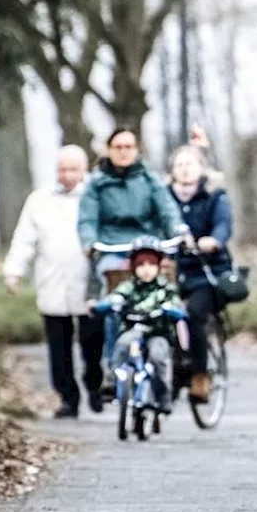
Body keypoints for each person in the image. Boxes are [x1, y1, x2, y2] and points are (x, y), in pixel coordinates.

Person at [77, 127, 187, 394]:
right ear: (109, 150)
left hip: (147, 247)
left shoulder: (149, 180)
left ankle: (176, 358)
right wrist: (89, 241)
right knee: (114, 303)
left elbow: (167, 210)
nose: (124, 152)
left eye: (129, 147)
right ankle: (112, 366)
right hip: (112, 248)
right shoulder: (97, 183)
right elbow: (88, 219)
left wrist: (178, 231)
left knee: (167, 293)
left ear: (137, 149)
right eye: (118, 147)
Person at [3, 145, 105, 419]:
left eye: (73, 169)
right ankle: (67, 398)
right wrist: (14, 270)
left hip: (89, 283)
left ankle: (94, 384)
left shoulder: (96, 196)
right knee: (58, 347)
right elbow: (24, 237)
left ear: (84, 170)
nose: (67, 175)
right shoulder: (39, 200)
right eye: (62, 169)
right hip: (52, 281)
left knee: (93, 341)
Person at [167, 125, 233, 404]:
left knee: (194, 314)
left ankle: (200, 375)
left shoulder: (214, 196)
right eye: (179, 164)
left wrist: (212, 240)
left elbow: (223, 225)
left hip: (205, 272)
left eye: (190, 164)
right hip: (171, 270)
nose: (184, 169)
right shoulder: (164, 198)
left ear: (201, 168)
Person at [94, 238, 186, 413]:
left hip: (157, 333)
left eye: (151, 264)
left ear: (158, 266)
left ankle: (162, 396)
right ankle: (114, 380)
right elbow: (116, 297)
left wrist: (172, 309)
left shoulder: (165, 288)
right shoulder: (129, 286)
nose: (146, 269)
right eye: (141, 264)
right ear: (133, 267)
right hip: (134, 330)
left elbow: (177, 306)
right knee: (122, 345)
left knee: (158, 357)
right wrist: (106, 304)